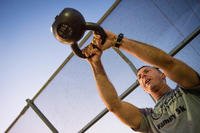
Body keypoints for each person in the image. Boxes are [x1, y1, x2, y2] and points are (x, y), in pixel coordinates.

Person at [82, 30, 200, 133]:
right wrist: (95, 64)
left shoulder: (188, 89)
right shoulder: (149, 118)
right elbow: (114, 106)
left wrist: (116, 40)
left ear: (163, 74)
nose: (142, 76)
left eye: (147, 71)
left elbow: (168, 63)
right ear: (143, 89)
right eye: (139, 77)